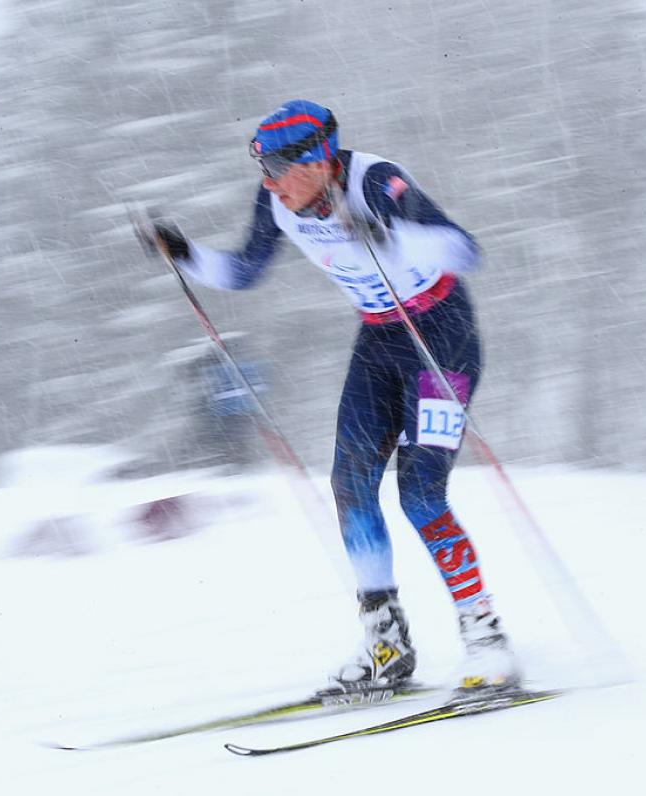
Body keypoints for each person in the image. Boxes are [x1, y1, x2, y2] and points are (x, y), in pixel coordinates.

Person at [144, 99, 519, 692]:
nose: (269, 183)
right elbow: (244, 271)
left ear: (318, 161)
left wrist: (394, 237)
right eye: (262, 170)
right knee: (350, 487)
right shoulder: (277, 200)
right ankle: (387, 647)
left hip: (441, 338)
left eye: (278, 169)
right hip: (379, 339)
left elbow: (463, 249)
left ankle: (486, 638)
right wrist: (185, 255)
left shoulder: (376, 181)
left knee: (421, 496)